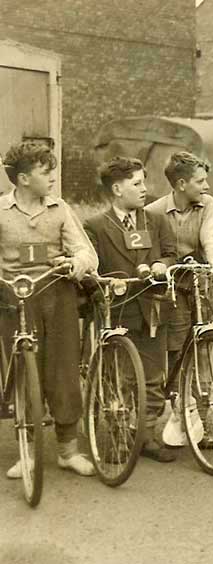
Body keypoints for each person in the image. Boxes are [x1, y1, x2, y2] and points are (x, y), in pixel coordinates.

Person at [1, 141, 98, 478]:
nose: (53, 178)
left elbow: (87, 253)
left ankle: (67, 450)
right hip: (14, 300)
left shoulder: (60, 209)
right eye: (46, 172)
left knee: (64, 373)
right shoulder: (0, 211)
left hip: (58, 297)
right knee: (23, 375)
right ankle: (26, 453)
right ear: (24, 179)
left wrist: (75, 263)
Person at [84, 156, 178, 463]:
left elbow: (170, 253)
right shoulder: (96, 226)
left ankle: (146, 433)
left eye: (144, 182)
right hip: (118, 311)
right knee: (119, 378)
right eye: (136, 183)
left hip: (152, 309)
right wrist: (102, 292)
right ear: (116, 188)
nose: (144, 189)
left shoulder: (156, 220)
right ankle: (118, 435)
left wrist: (161, 265)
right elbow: (90, 273)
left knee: (152, 378)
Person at [145, 151, 213, 369]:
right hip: (174, 285)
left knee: (207, 338)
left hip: (203, 282)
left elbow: (209, 236)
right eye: (200, 181)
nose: (206, 186)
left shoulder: (207, 204)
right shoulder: (153, 212)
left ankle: (204, 398)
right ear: (181, 184)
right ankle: (177, 392)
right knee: (176, 344)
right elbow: (153, 252)